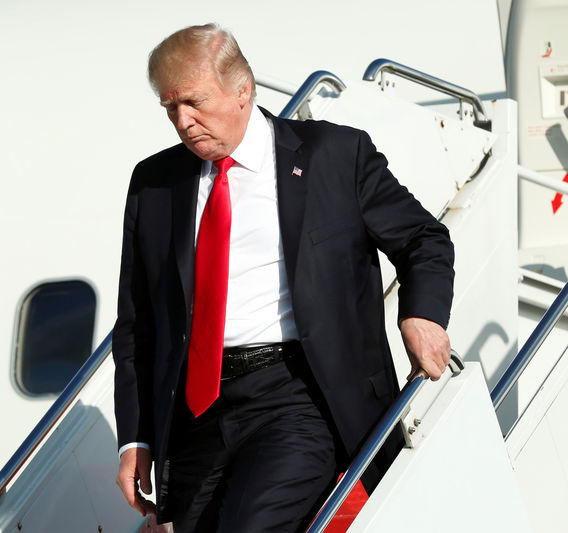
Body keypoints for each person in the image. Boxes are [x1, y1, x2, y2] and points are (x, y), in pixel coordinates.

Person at [112, 23, 454, 533]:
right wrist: (134, 438)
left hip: (297, 392)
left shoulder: (334, 157)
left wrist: (422, 314)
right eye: (170, 109)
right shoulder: (154, 183)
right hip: (194, 407)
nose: (183, 122)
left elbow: (423, 239)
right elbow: (137, 322)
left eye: (194, 103)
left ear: (242, 88)